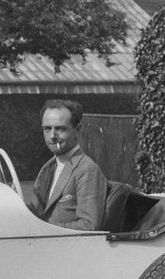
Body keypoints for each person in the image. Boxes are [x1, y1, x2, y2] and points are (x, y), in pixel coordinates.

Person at [29, 99, 107, 230]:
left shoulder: (86, 169)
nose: (52, 136)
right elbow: (35, 213)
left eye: (60, 129)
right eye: (47, 129)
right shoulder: (49, 168)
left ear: (77, 130)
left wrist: (42, 228)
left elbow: (89, 226)